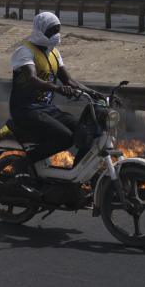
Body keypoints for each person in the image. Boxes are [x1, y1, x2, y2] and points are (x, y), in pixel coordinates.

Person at [6, 12, 99, 169]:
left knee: (85, 131)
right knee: (65, 137)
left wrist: (96, 94)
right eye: (53, 31)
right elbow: (32, 78)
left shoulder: (54, 53)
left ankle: (77, 176)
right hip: (26, 110)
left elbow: (69, 80)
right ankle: (24, 162)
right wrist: (57, 88)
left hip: (47, 109)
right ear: (42, 30)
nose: (57, 35)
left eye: (58, 30)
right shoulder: (24, 51)